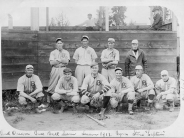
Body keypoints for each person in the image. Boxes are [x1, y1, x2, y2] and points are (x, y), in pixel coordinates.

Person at [47, 38, 70, 105]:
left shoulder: (66, 52)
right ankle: (50, 102)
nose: (59, 44)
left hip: (63, 69)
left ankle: (63, 101)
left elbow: (66, 62)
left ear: (62, 44)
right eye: (58, 43)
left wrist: (57, 60)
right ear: (56, 44)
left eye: (60, 43)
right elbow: (52, 63)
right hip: (55, 69)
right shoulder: (53, 52)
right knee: (52, 84)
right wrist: (61, 60)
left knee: (63, 83)